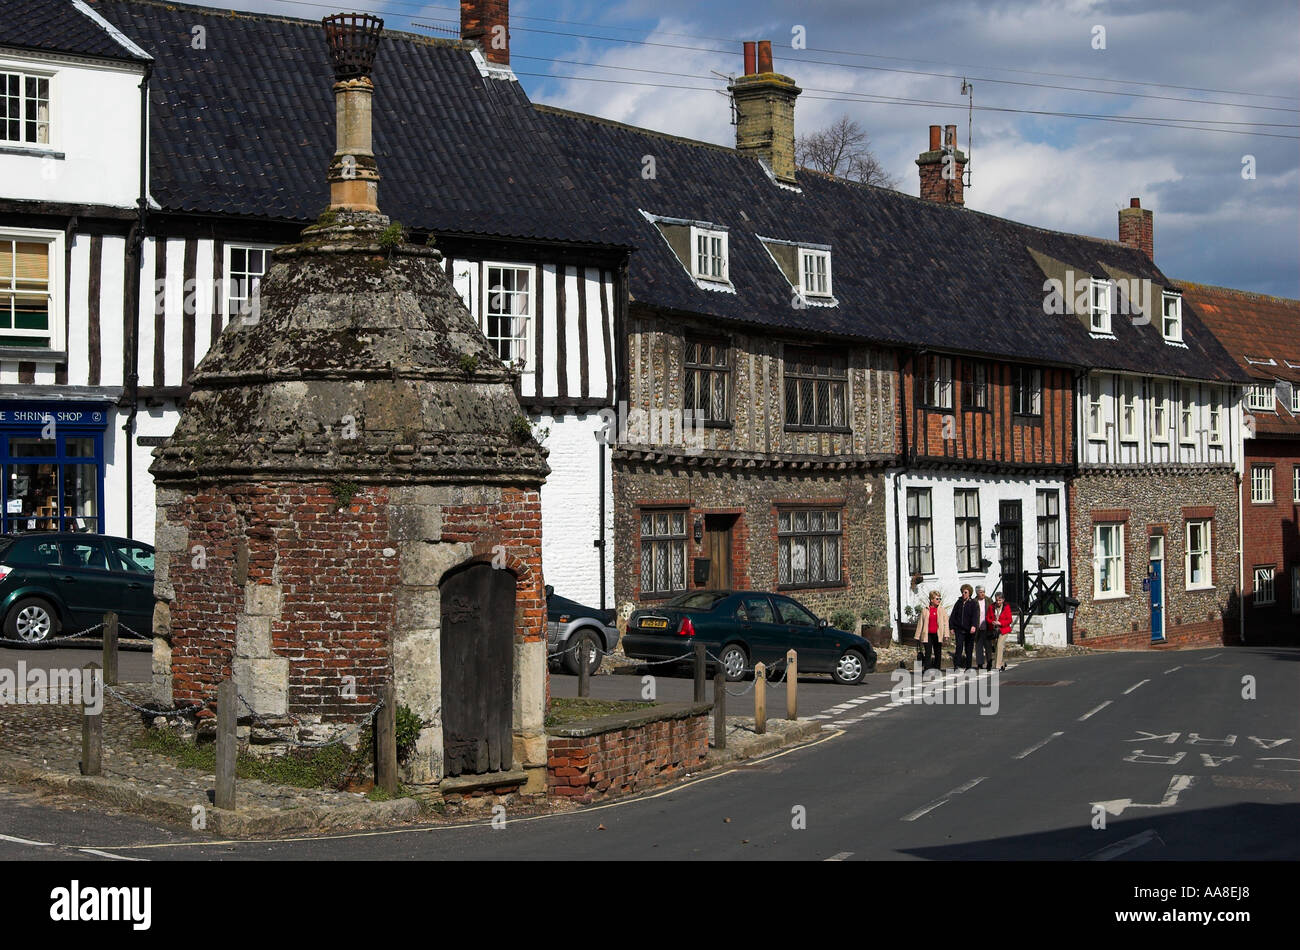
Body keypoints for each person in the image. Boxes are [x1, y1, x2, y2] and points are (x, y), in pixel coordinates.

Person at [913, 589, 947, 671]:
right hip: (927, 634)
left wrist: (946, 635)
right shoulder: (925, 610)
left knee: (937, 652)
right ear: (932, 600)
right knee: (928, 653)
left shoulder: (942, 610)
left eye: (940, 599)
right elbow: (920, 623)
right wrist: (917, 636)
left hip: (937, 634)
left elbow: (946, 623)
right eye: (937, 599)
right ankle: (927, 669)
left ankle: (937, 669)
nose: (939, 600)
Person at [949, 583, 979, 671]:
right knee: (959, 647)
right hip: (959, 629)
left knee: (968, 649)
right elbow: (953, 615)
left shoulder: (973, 603)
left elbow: (975, 616)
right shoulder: (958, 603)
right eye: (962, 592)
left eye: (965, 592)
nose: (963, 594)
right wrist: (951, 627)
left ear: (969, 593)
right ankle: (957, 665)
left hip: (969, 630)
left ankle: (968, 666)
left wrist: (974, 626)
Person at [990, 591, 1013, 671]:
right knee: (996, 647)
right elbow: (988, 617)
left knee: (1000, 645)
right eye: (997, 600)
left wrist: (1000, 623)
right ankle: (1002, 663)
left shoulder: (1006, 607)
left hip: (1004, 629)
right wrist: (992, 622)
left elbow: (1010, 620)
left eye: (1000, 600)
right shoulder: (992, 607)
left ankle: (997, 666)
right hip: (994, 629)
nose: (998, 602)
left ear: (1003, 600)